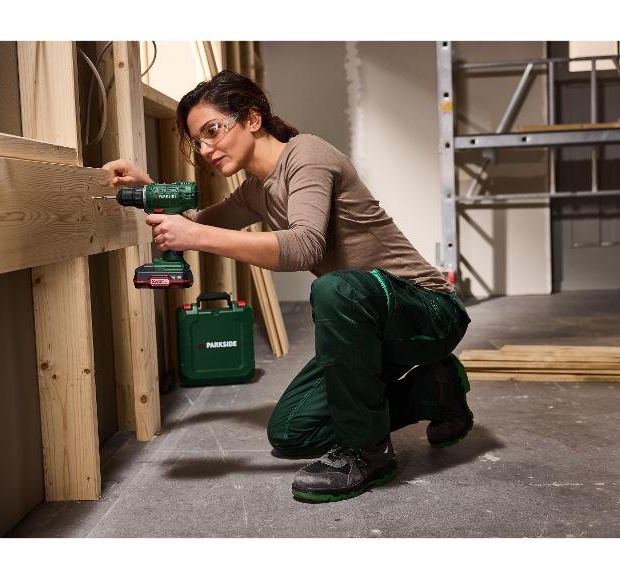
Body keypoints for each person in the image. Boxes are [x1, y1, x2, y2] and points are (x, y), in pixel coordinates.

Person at [103, 70, 473, 503]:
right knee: (293, 432)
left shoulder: (308, 155)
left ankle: (369, 455)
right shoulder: (257, 190)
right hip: (373, 326)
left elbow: (303, 247)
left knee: (335, 289)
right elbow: (198, 224)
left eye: (213, 131)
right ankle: (436, 388)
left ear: (253, 118)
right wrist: (150, 191)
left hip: (429, 311)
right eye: (198, 141)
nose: (205, 149)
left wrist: (196, 237)